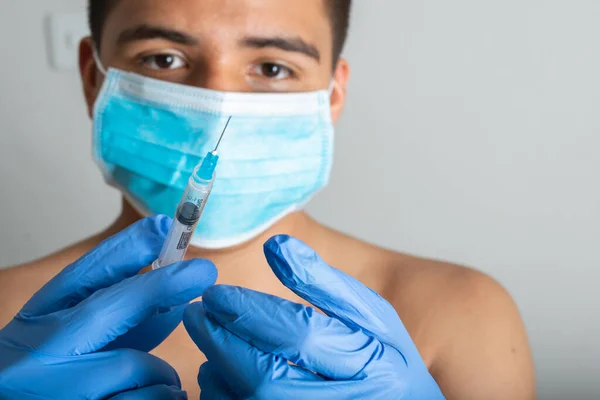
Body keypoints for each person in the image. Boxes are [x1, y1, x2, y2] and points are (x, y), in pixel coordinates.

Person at [0, 0, 535, 398]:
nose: (218, 100)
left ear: (334, 95)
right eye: (163, 59)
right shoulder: (10, 333)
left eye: (273, 68)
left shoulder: (460, 315)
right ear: (96, 79)